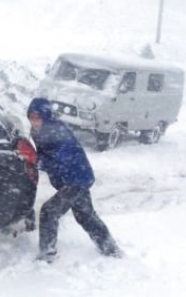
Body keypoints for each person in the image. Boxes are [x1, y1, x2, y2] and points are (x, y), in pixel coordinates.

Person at [27, 97, 122, 262]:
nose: (34, 121)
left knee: (49, 211)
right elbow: (44, 155)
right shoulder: (37, 131)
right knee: (85, 216)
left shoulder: (57, 131)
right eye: (31, 117)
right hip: (70, 179)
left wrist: (35, 160)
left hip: (75, 179)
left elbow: (60, 159)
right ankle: (110, 248)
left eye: (37, 117)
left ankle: (47, 255)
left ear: (46, 115)